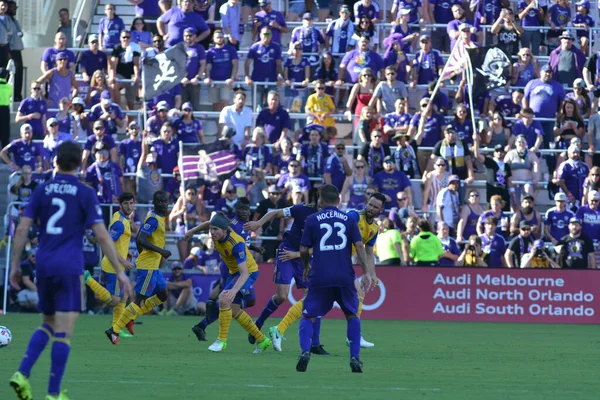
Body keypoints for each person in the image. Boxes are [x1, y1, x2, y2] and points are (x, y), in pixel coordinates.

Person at [9, 141, 132, 400]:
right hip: (69, 266)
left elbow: (21, 230)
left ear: (55, 162)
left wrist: (14, 266)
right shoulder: (84, 193)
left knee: (48, 323)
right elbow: (101, 235)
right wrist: (120, 271)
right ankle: (53, 394)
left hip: (44, 265)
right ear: (79, 164)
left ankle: (22, 373)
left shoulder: (42, 190)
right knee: (64, 331)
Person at [296, 184, 375, 373]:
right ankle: (355, 358)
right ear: (339, 200)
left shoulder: (312, 219)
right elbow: (360, 246)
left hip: (320, 275)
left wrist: (306, 266)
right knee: (351, 315)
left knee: (308, 315)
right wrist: (366, 272)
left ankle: (306, 352)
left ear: (321, 201)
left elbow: (303, 249)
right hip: (344, 275)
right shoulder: (349, 220)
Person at [242, 197, 322, 352]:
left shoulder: (328, 219)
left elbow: (318, 247)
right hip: (286, 253)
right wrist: (259, 223)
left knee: (313, 297)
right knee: (282, 296)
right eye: (320, 202)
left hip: (302, 258)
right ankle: (259, 323)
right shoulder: (302, 209)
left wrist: (297, 254)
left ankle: (315, 344)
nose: (322, 206)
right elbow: (274, 212)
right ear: (318, 200)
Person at [106, 191, 171, 344]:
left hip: (153, 265)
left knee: (163, 295)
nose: (163, 204)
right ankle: (114, 330)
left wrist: (148, 253)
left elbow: (141, 237)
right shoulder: (154, 219)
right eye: (160, 202)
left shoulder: (159, 218)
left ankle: (131, 317)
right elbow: (141, 238)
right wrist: (160, 252)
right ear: (154, 203)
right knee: (140, 300)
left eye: (165, 201)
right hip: (148, 266)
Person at [204, 212, 272, 352]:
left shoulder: (236, 244)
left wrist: (233, 291)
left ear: (224, 230)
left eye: (215, 229)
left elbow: (245, 273)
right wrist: (191, 231)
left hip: (248, 272)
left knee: (224, 299)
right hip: (233, 272)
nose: (212, 232)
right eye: (211, 229)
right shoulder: (218, 233)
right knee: (234, 310)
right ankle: (262, 340)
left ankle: (221, 341)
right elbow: (207, 224)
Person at [83, 192, 135, 342]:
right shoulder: (119, 222)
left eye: (131, 203)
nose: (129, 206)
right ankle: (88, 280)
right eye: (126, 203)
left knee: (124, 295)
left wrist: (127, 252)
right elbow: (109, 244)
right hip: (113, 266)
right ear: (120, 205)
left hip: (117, 263)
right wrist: (123, 261)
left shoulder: (124, 218)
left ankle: (115, 329)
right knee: (114, 301)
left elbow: (118, 243)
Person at [523, 65, 566, 146]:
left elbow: (563, 101)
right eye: (546, 72)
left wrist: (560, 113)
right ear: (541, 72)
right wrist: (526, 113)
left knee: (549, 144)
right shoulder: (532, 83)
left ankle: (550, 158)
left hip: (549, 121)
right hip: (534, 120)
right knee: (531, 143)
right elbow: (525, 98)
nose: (548, 74)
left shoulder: (557, 86)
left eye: (550, 72)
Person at [245, 26, 283, 106]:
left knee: (273, 106)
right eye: (264, 34)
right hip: (257, 80)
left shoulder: (276, 47)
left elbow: (278, 64)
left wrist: (280, 76)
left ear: (271, 35)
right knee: (257, 106)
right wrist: (247, 76)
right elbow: (247, 63)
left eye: (268, 34)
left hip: (272, 80)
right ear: (260, 35)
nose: (266, 36)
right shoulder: (255, 47)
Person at [473, 141, 515, 208]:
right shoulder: (490, 162)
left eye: (501, 151)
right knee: (491, 216)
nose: (499, 153)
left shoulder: (507, 166)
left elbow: (509, 182)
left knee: (505, 216)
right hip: (492, 194)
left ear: (504, 153)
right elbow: (477, 155)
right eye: (497, 151)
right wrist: (476, 141)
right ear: (494, 153)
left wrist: (514, 198)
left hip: (504, 195)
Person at [205, 30, 239, 112]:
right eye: (217, 37)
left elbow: (235, 64)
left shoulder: (231, 49)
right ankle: (219, 125)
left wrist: (232, 77)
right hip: (214, 81)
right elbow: (208, 66)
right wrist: (207, 77)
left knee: (225, 103)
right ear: (213, 39)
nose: (220, 39)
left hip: (226, 82)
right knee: (216, 105)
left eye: (221, 37)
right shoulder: (210, 52)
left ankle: (225, 124)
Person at [108, 30, 140, 112]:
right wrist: (113, 75)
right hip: (120, 74)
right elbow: (113, 64)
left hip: (131, 75)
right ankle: (117, 109)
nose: (125, 39)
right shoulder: (117, 48)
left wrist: (136, 75)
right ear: (120, 38)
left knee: (130, 103)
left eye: (127, 37)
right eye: (123, 37)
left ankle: (129, 122)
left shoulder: (135, 48)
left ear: (130, 38)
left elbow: (136, 63)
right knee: (114, 86)